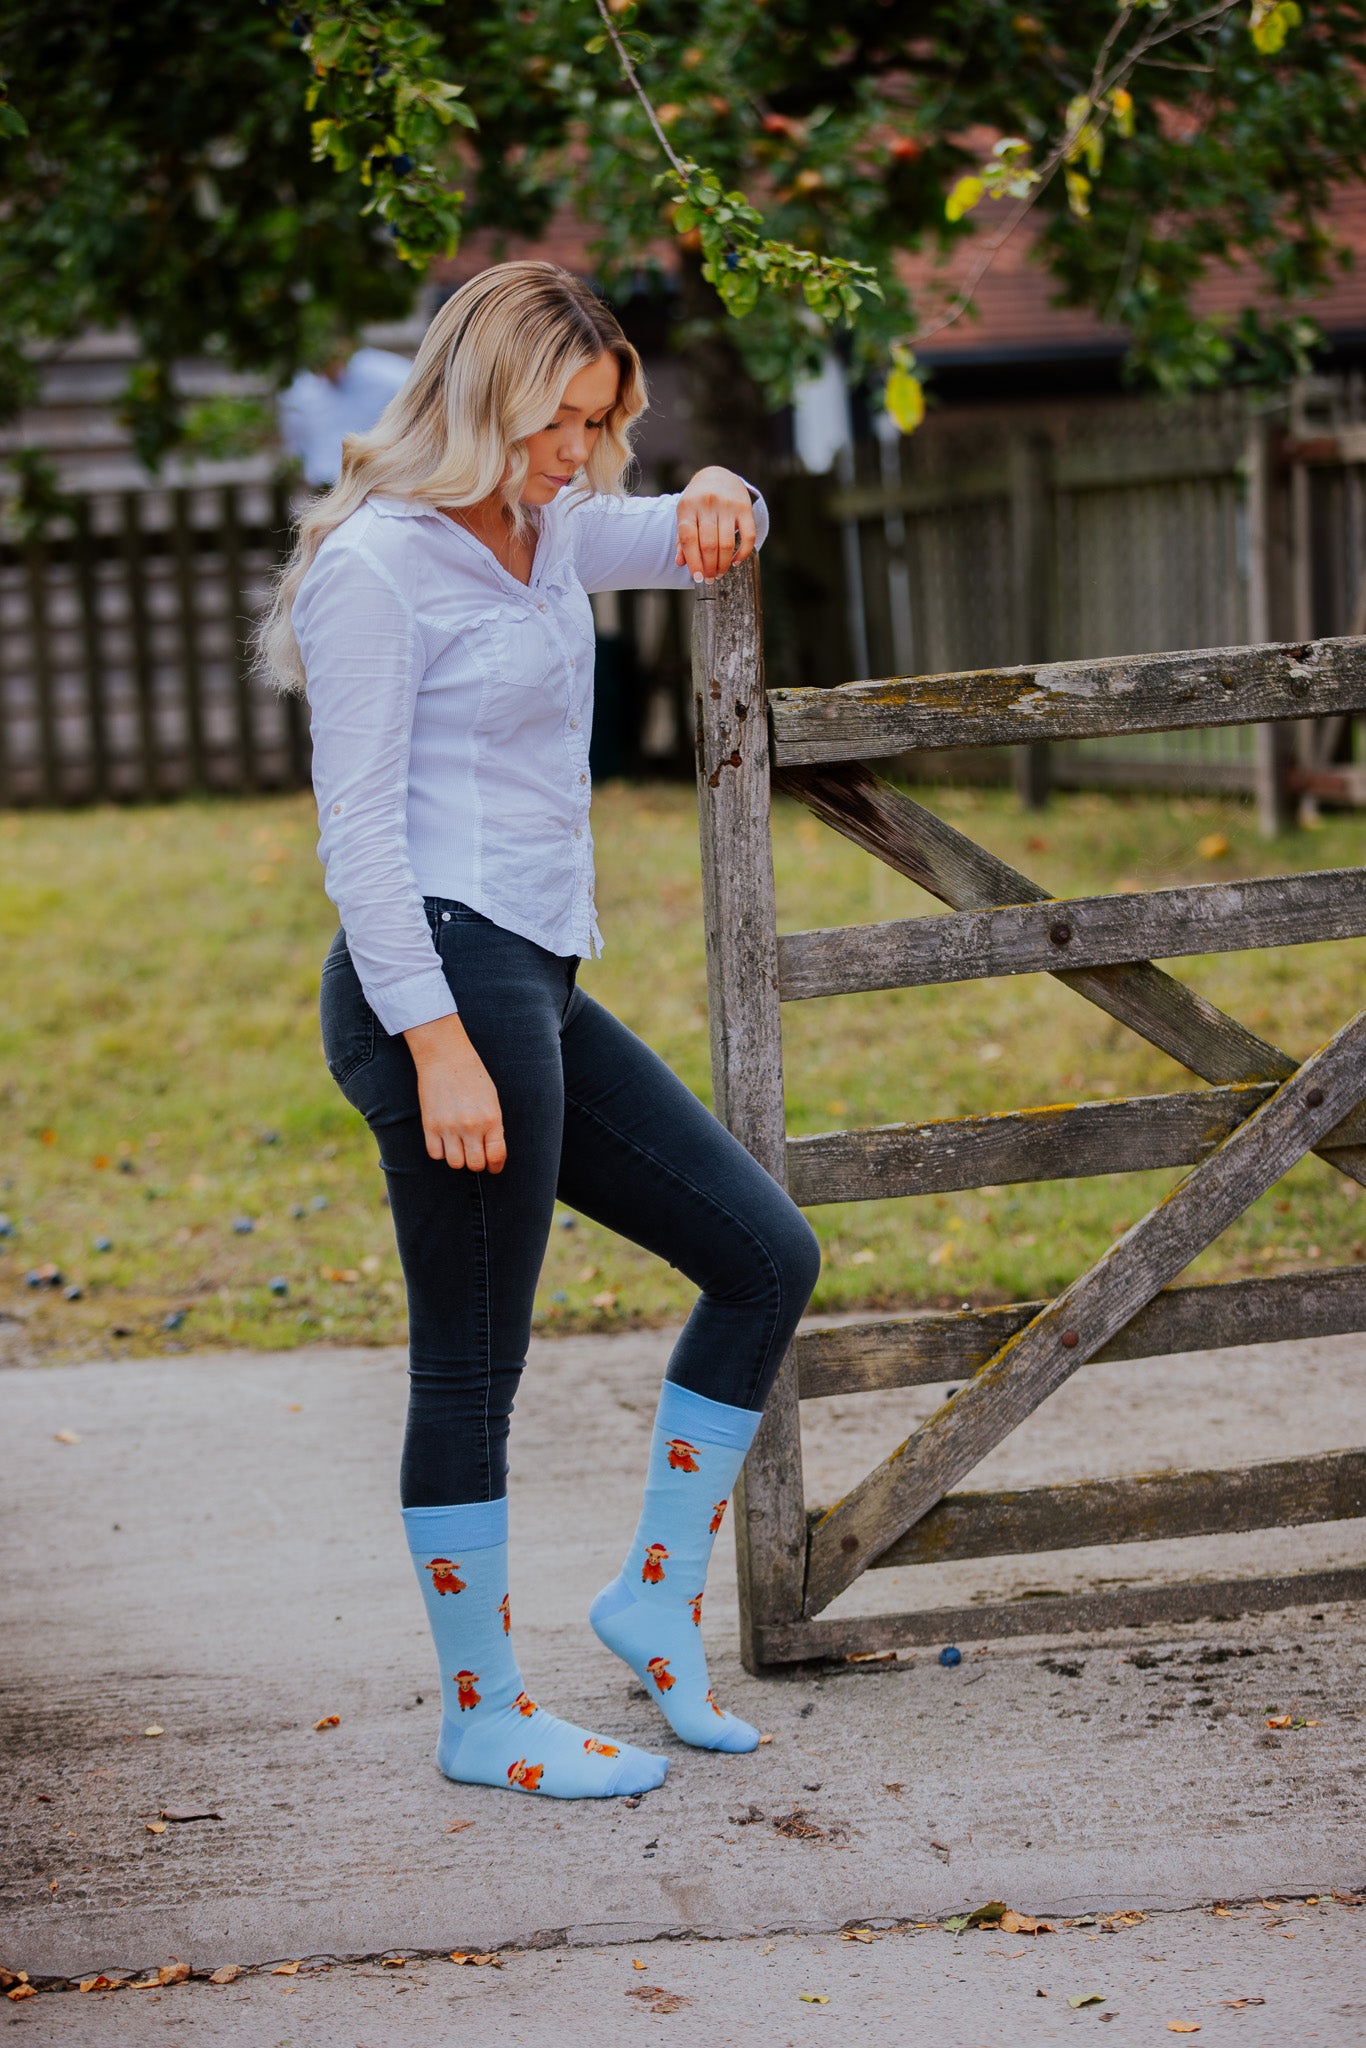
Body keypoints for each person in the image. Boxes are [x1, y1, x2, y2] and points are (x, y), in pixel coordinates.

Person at [258, 260, 820, 1803]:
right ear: (479, 394)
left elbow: (705, 527)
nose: (575, 451)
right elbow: (358, 840)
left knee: (763, 1255)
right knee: (471, 1365)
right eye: (553, 420)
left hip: (536, 977)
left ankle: (650, 1600)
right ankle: (484, 1713)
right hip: (438, 983)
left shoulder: (550, 526)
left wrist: (728, 489)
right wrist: (437, 1046)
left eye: (597, 421)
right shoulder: (378, 567)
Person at [278, 342, 414, 487]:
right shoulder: (299, 387)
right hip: (322, 484)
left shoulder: (388, 375)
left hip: (374, 481)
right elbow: (295, 437)